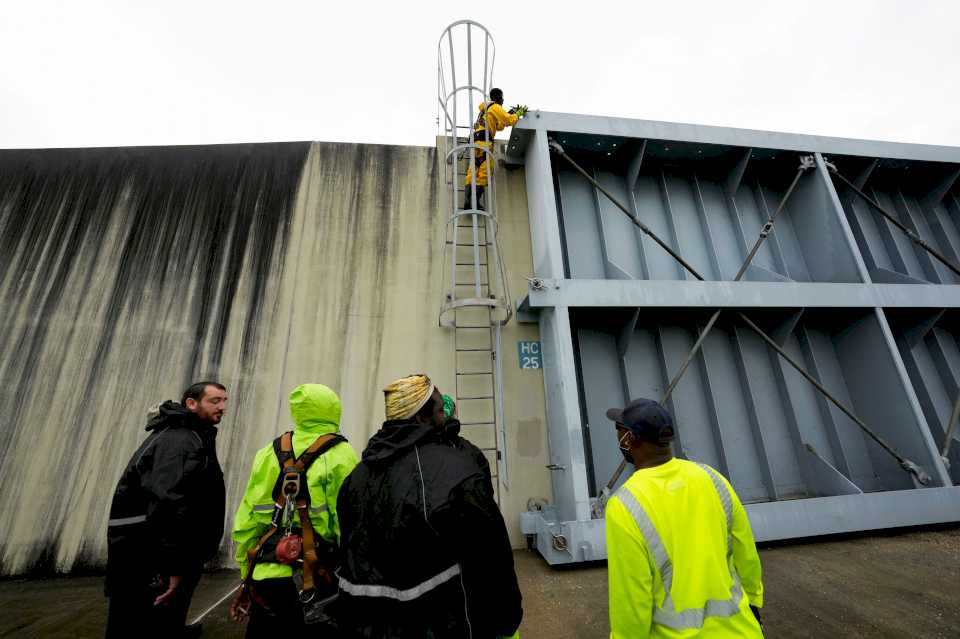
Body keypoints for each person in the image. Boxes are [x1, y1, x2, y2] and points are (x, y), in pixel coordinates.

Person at [335, 374, 523, 638]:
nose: (444, 416)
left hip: (367, 627)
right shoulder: (456, 471)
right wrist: (505, 620)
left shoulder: (355, 478)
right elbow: (491, 558)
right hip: (436, 625)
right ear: (422, 417)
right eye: (438, 409)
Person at [605, 398, 764, 638]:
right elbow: (746, 554)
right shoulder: (712, 478)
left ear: (629, 440)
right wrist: (753, 602)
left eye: (620, 431)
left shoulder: (625, 505)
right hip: (743, 630)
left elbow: (631, 599)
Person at [230, 383, 358, 637]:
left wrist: (247, 574)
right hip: (319, 577)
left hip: (266, 574)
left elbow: (247, 519)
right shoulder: (342, 455)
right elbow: (349, 521)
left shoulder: (267, 452)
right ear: (333, 409)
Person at [105, 381, 228, 639]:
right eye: (214, 401)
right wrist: (171, 566)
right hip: (149, 555)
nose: (222, 407)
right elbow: (166, 503)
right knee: (145, 621)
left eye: (224, 401)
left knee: (161, 617)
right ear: (191, 403)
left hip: (156, 551)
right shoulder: (180, 440)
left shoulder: (189, 435)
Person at [463, 87, 523, 211]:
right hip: (484, 142)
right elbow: (507, 120)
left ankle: (468, 202)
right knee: (484, 172)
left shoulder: (485, 110)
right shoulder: (495, 107)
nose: (503, 101)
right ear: (498, 98)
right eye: (502, 98)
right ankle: (474, 203)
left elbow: (499, 125)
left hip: (475, 142)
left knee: (473, 171)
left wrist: (510, 113)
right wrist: (518, 114)